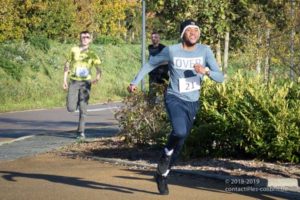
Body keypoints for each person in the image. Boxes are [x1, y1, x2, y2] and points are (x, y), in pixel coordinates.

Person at [127, 20, 224, 195]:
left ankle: (162, 174)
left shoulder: (205, 51)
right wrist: (135, 81)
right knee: (178, 132)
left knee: (181, 140)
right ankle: (165, 156)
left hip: (193, 101)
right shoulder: (171, 50)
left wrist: (206, 71)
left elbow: (220, 77)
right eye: (189, 31)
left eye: (196, 30)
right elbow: (151, 64)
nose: (193, 33)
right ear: (182, 34)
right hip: (174, 97)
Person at [63, 31, 101, 139]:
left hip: (86, 83)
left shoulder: (93, 54)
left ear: (90, 40)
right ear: (80, 38)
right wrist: (64, 80)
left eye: (87, 37)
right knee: (71, 108)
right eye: (83, 37)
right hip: (74, 81)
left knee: (83, 109)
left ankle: (80, 132)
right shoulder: (73, 50)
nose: (85, 38)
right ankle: (76, 101)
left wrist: (97, 77)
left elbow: (98, 68)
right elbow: (66, 64)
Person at [148, 32, 169, 104]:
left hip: (163, 74)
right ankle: (150, 111)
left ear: (159, 39)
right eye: (152, 37)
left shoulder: (163, 48)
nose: (153, 39)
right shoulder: (150, 47)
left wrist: (156, 63)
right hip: (153, 75)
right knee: (151, 95)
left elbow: (168, 61)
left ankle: (165, 111)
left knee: (165, 95)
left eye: (155, 37)